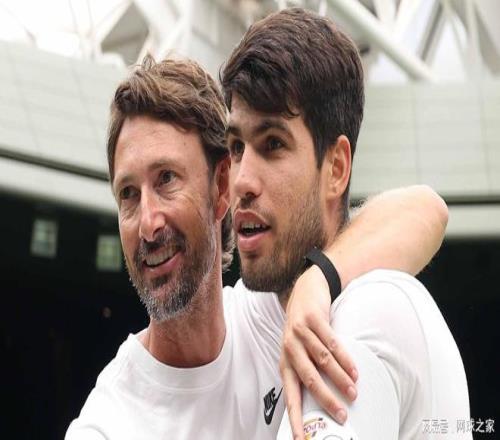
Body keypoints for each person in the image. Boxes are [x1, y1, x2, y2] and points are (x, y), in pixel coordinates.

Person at [66, 32, 448, 440]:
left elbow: (425, 209)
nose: (147, 223)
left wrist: (317, 280)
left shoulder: (273, 312)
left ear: (221, 187)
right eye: (128, 194)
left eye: (166, 180)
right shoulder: (107, 425)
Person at [220, 7, 471, 439]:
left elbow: (429, 207)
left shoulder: (370, 311)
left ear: (336, 168)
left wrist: (318, 277)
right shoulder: (244, 314)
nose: (241, 180)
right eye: (237, 146)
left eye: (273, 144)